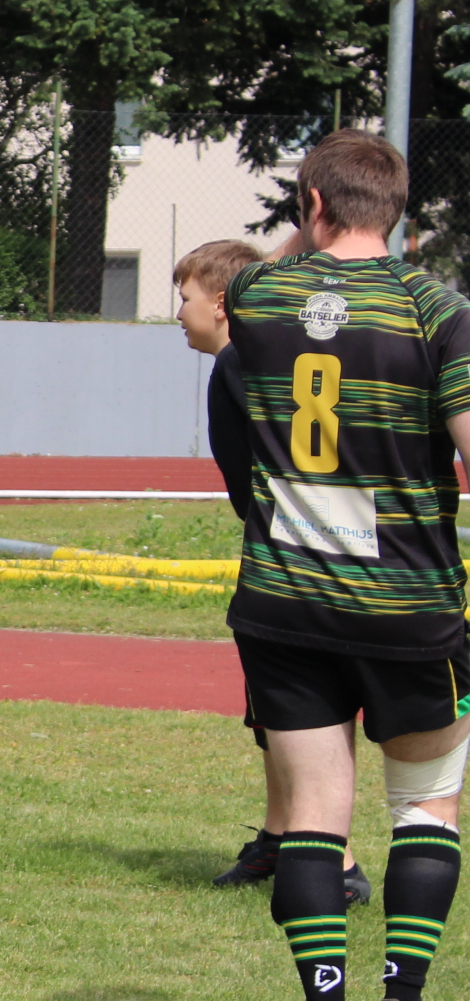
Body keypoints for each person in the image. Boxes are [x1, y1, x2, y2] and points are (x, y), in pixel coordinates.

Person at [212, 128, 470, 1001]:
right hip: (408, 606)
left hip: (285, 602)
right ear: (396, 210)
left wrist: (310, 229)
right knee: (426, 805)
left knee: (315, 816)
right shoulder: (435, 308)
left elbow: (283, 272)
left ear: (311, 205)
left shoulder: (258, 295)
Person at [186, 237, 370, 908]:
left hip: (294, 563)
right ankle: (278, 833)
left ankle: (334, 859)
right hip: (336, 552)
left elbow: (251, 479)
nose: (178, 313)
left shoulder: (243, 362)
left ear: (222, 301)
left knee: (302, 706)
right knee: (275, 709)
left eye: (184, 296)